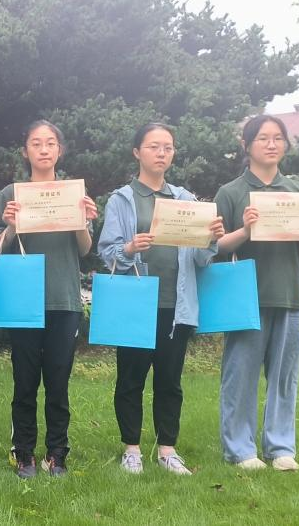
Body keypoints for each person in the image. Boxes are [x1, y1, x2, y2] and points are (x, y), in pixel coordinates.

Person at [97, 123, 225, 476]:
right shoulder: (122, 199)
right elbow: (106, 252)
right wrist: (129, 248)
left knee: (170, 380)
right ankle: (132, 450)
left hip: (175, 303)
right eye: (154, 146)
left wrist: (212, 239)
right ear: (137, 152)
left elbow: (201, 259)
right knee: (130, 379)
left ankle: (168, 449)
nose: (161, 153)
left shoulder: (186, 200)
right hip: (136, 302)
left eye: (167, 147)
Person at [215, 115, 299, 471]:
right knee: (240, 377)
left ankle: (281, 448)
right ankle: (240, 450)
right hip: (245, 297)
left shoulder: (297, 191)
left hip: (291, 295)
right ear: (246, 145)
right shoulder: (231, 193)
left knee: (284, 378)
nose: (271, 144)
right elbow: (215, 246)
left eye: (278, 138)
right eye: (263, 138)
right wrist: (246, 230)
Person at [0, 121, 98, 478]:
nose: (44, 149)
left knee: (58, 383)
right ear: (25, 151)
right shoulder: (11, 193)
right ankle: (24, 453)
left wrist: (82, 219)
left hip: (63, 300)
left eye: (50, 143)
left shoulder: (73, 192)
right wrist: (10, 224)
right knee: (24, 382)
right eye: (36, 143)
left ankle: (57, 453)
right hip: (22, 299)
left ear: (59, 150)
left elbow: (85, 249)